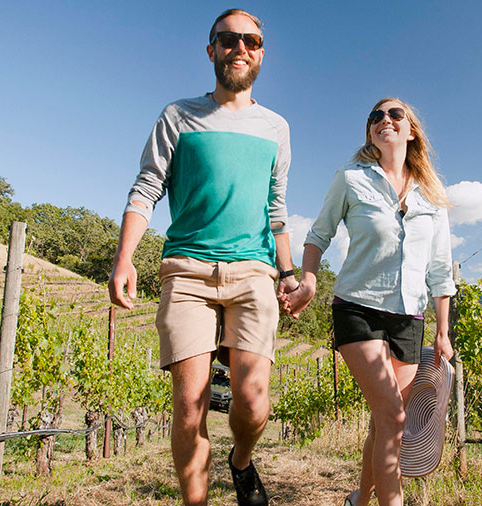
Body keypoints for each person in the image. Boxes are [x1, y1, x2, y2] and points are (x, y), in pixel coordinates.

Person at [107, 9, 296, 506]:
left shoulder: (276, 127)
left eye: (251, 41)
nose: (240, 48)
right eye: (228, 39)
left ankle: (240, 461)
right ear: (210, 48)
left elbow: (276, 210)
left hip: (254, 272)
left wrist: (290, 271)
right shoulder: (177, 115)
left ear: (261, 53)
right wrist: (124, 259)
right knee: (189, 408)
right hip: (187, 271)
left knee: (253, 406)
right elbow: (147, 187)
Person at [282, 98, 455, 506]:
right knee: (394, 417)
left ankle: (359, 500)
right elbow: (317, 236)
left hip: (409, 319)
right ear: (370, 132)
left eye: (395, 115)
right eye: (375, 116)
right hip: (357, 308)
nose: (384, 120)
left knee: (384, 423)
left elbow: (441, 270)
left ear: (411, 130)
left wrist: (443, 330)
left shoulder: (431, 197)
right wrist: (308, 279)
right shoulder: (351, 178)